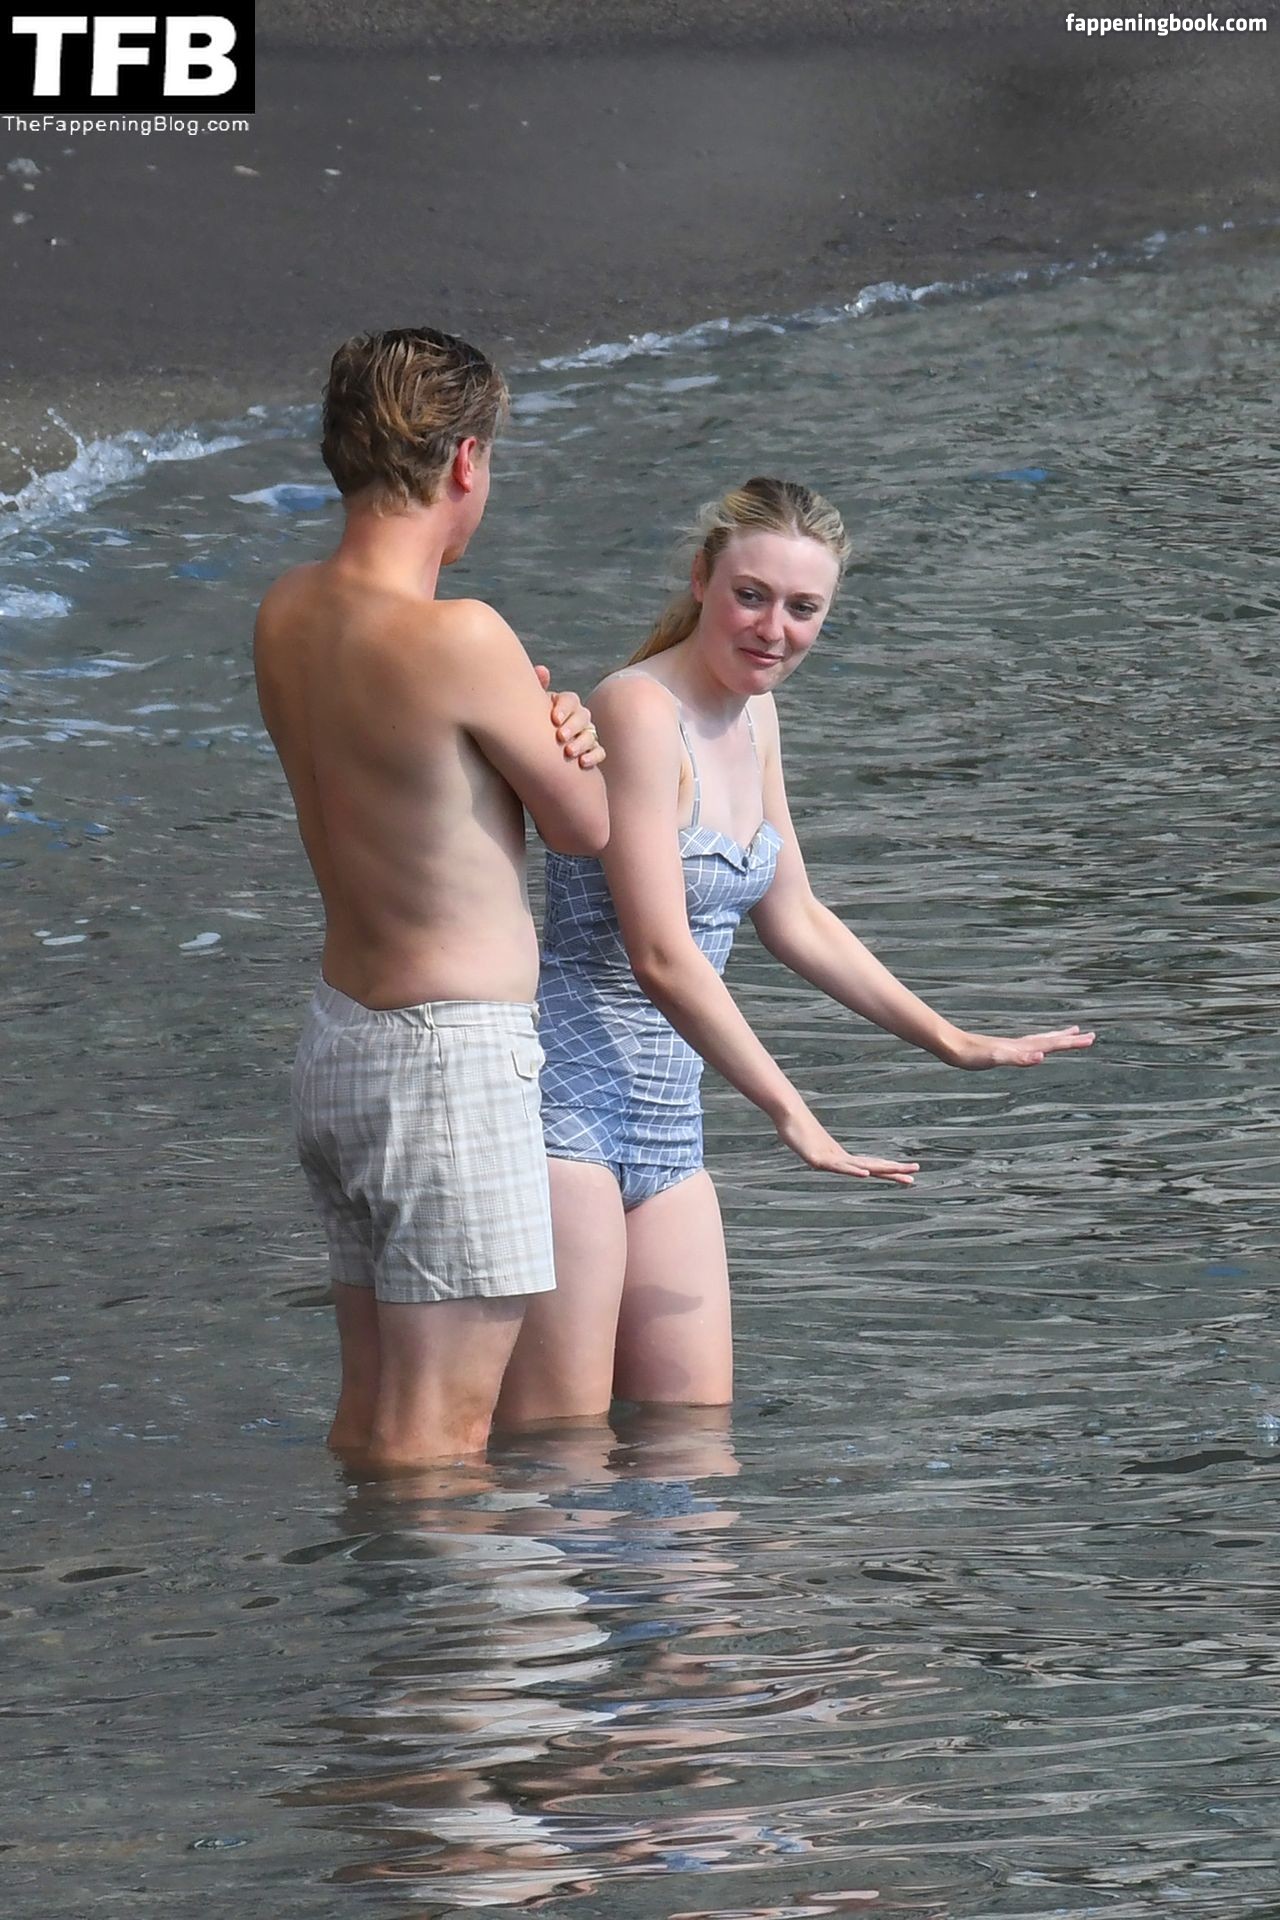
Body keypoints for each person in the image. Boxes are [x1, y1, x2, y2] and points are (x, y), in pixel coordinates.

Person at [497, 477, 1094, 1426]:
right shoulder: (637, 709)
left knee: (692, 1445)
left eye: (803, 608)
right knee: (557, 1447)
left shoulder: (754, 715)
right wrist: (794, 1116)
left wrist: (952, 1040)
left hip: (667, 1125)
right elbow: (660, 953)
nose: (774, 629)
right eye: (751, 595)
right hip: (566, 1110)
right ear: (702, 579)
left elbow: (797, 916)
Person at [254, 326, 609, 1469]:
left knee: (373, 1417)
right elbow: (584, 827)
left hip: (341, 1047)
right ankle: (437, 1600)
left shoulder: (285, 613)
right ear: (464, 461)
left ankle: (365, 1590)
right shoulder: (462, 634)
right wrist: (568, 730)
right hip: (447, 1062)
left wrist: (518, 724)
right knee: (443, 1437)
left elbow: (412, 771)